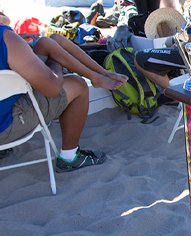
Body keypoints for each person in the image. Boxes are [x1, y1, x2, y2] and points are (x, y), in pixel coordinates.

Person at [0, 26, 126, 171]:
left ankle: (100, 74)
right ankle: (69, 157)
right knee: (78, 85)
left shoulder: (9, 39)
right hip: (4, 127)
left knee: (48, 42)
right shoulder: (6, 38)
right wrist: (56, 65)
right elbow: (53, 89)